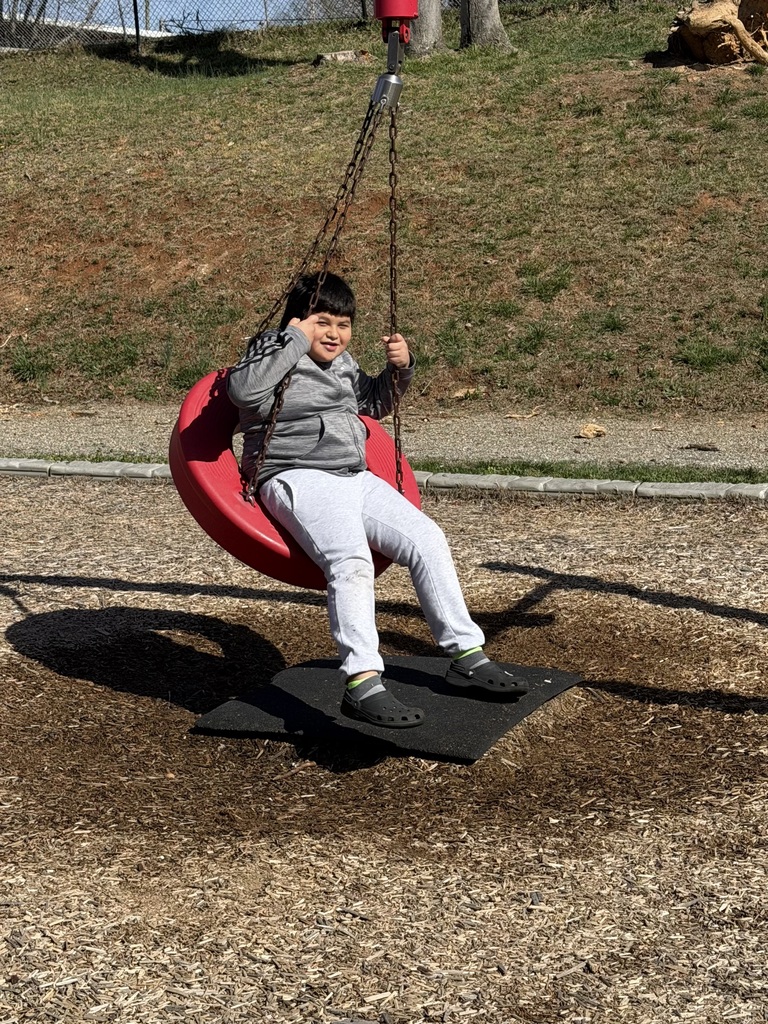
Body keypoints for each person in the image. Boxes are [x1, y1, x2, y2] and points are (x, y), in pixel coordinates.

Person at [227, 272, 527, 729]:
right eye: (322, 322)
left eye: (343, 325)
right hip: (294, 475)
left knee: (427, 538)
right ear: (297, 320)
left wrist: (399, 370)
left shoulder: (343, 362)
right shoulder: (272, 347)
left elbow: (373, 403)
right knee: (351, 562)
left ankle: (465, 654)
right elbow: (243, 390)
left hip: (352, 475)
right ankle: (362, 682)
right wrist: (291, 339)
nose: (333, 334)